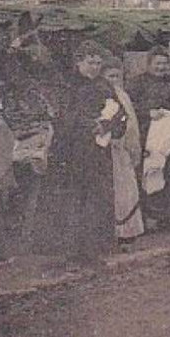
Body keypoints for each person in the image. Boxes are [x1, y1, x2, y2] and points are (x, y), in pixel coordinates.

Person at [44, 39, 121, 270]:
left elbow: (120, 114)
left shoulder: (104, 86)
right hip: (72, 153)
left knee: (96, 202)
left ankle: (92, 252)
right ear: (79, 62)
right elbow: (62, 117)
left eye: (98, 63)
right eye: (90, 63)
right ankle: (71, 255)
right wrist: (89, 125)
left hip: (97, 154)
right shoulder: (67, 86)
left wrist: (107, 125)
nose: (95, 68)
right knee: (73, 202)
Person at [129, 46, 170, 230]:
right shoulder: (136, 84)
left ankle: (165, 218)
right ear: (149, 64)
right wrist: (148, 113)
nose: (161, 67)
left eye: (165, 63)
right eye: (157, 63)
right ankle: (145, 220)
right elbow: (129, 109)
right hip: (146, 137)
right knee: (148, 174)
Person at [101, 57, 145, 245]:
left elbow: (132, 125)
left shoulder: (123, 96)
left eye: (117, 76)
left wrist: (133, 147)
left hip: (122, 149)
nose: (114, 80)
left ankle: (127, 231)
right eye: (110, 76)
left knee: (126, 190)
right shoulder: (100, 96)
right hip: (106, 148)